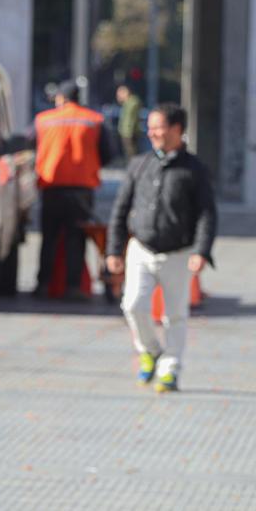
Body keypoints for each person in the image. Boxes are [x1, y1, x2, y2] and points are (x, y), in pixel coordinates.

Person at [106, 103, 216, 393]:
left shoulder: (195, 169)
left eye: (158, 127)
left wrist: (201, 251)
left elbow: (207, 213)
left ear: (177, 129)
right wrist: (113, 250)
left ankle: (170, 369)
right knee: (132, 305)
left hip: (179, 254)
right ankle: (151, 350)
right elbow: (120, 209)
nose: (151, 132)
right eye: (150, 127)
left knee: (175, 315)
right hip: (140, 250)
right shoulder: (140, 164)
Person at [32, 79, 112, 300]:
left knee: (49, 238)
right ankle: (73, 287)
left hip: (52, 186)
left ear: (60, 98)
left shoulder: (43, 120)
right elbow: (107, 153)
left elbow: (32, 148)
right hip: (82, 188)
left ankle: (42, 285)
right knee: (76, 238)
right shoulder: (94, 120)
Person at [116, 84, 142, 158]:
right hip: (128, 131)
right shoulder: (128, 103)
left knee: (131, 153)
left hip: (128, 132)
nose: (118, 97)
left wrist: (127, 132)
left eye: (119, 94)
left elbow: (129, 119)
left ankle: (134, 168)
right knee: (130, 153)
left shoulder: (131, 103)